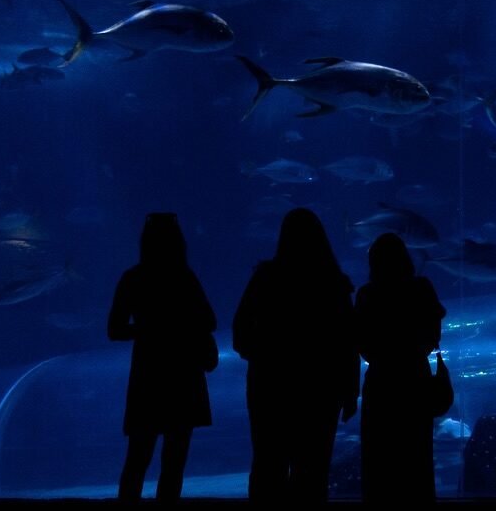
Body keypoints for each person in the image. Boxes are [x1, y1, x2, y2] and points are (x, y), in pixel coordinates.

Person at [232, 207, 359, 503]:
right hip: (321, 388)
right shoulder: (334, 283)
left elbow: (240, 329)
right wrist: (350, 391)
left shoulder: (265, 277)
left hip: (269, 386)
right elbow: (347, 342)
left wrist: (264, 357)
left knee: (268, 465)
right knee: (312, 469)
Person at [107, 212, 218, 503]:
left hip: (148, 374)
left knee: (137, 457)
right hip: (183, 373)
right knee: (175, 459)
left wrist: (147, 328)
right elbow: (209, 320)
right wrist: (179, 327)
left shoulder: (133, 278)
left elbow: (115, 329)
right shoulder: (184, 277)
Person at [355, 232, 447, 503]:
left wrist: (383, 356)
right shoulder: (422, 287)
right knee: (416, 458)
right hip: (415, 379)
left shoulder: (367, 294)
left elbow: (361, 344)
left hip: (381, 383)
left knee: (379, 460)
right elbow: (433, 336)